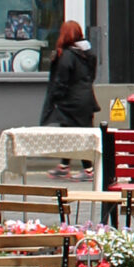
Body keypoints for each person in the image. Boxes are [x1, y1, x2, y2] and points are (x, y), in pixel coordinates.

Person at [41, 20, 98, 180]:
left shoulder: (67, 55)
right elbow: (91, 76)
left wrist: (56, 97)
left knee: (77, 135)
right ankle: (64, 166)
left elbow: (61, 80)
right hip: (86, 98)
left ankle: (89, 170)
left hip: (70, 101)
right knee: (71, 132)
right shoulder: (88, 53)